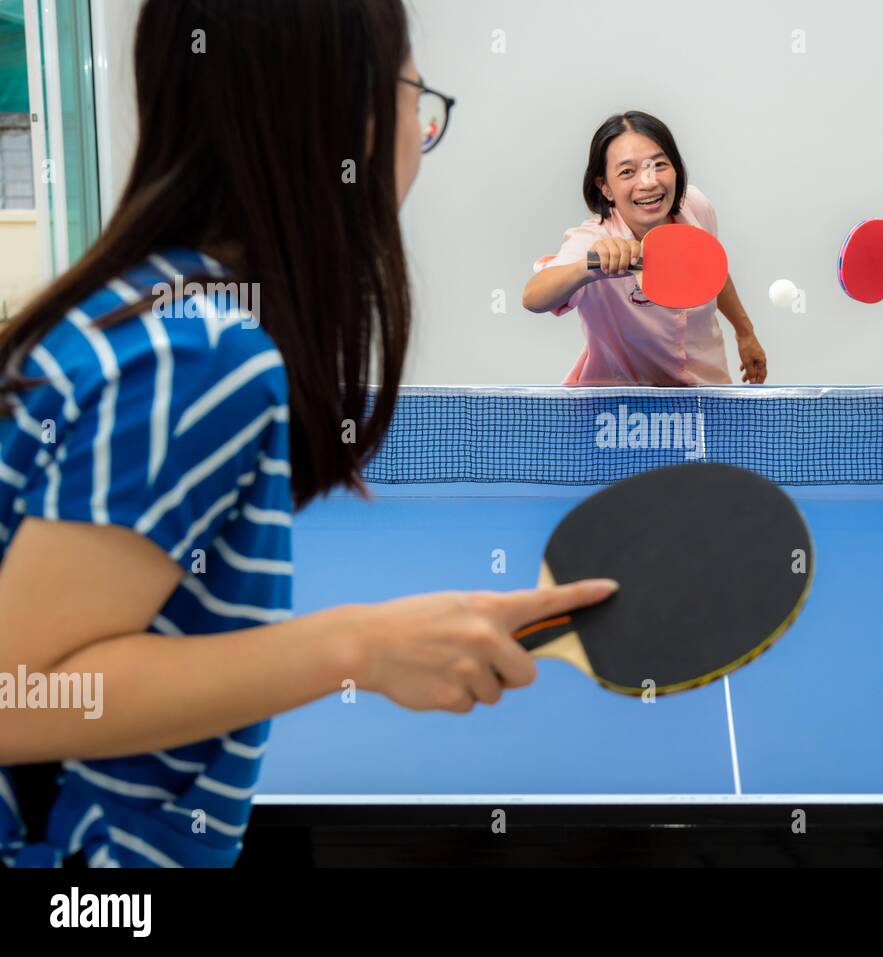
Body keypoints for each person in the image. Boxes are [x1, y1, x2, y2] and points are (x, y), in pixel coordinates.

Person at [0, 0, 614, 869]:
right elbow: (12, 696)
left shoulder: (151, 305)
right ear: (347, 114)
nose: (419, 132)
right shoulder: (201, 351)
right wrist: (358, 647)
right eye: (415, 95)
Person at [523, 111, 767, 386]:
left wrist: (745, 332)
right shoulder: (594, 240)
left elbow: (712, 271)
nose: (648, 182)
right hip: (620, 412)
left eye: (659, 165)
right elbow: (533, 297)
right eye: (627, 171)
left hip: (707, 395)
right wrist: (590, 268)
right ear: (605, 187)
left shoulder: (696, 207)